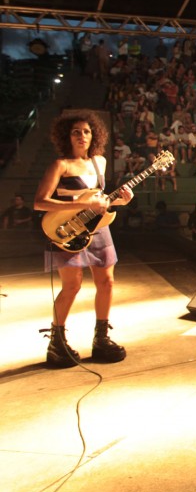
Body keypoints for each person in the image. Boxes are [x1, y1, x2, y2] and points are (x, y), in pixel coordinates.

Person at [34, 110, 134, 367]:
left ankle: (101, 339)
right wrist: (82, 204)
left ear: (94, 136)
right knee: (72, 286)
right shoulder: (61, 165)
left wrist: (119, 202)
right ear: (66, 136)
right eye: (76, 132)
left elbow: (99, 202)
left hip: (99, 228)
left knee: (107, 283)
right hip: (68, 230)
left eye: (87, 131)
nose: (82, 136)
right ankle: (56, 343)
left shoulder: (100, 162)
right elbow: (40, 202)